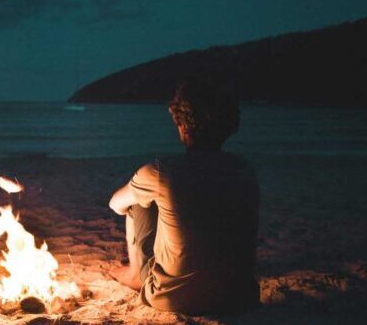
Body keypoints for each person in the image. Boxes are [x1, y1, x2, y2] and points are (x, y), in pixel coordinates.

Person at [108, 80, 260, 315]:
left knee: (138, 202)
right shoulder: (245, 171)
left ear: (183, 125)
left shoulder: (162, 172)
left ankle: (135, 274)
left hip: (174, 298)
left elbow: (115, 204)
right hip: (239, 297)